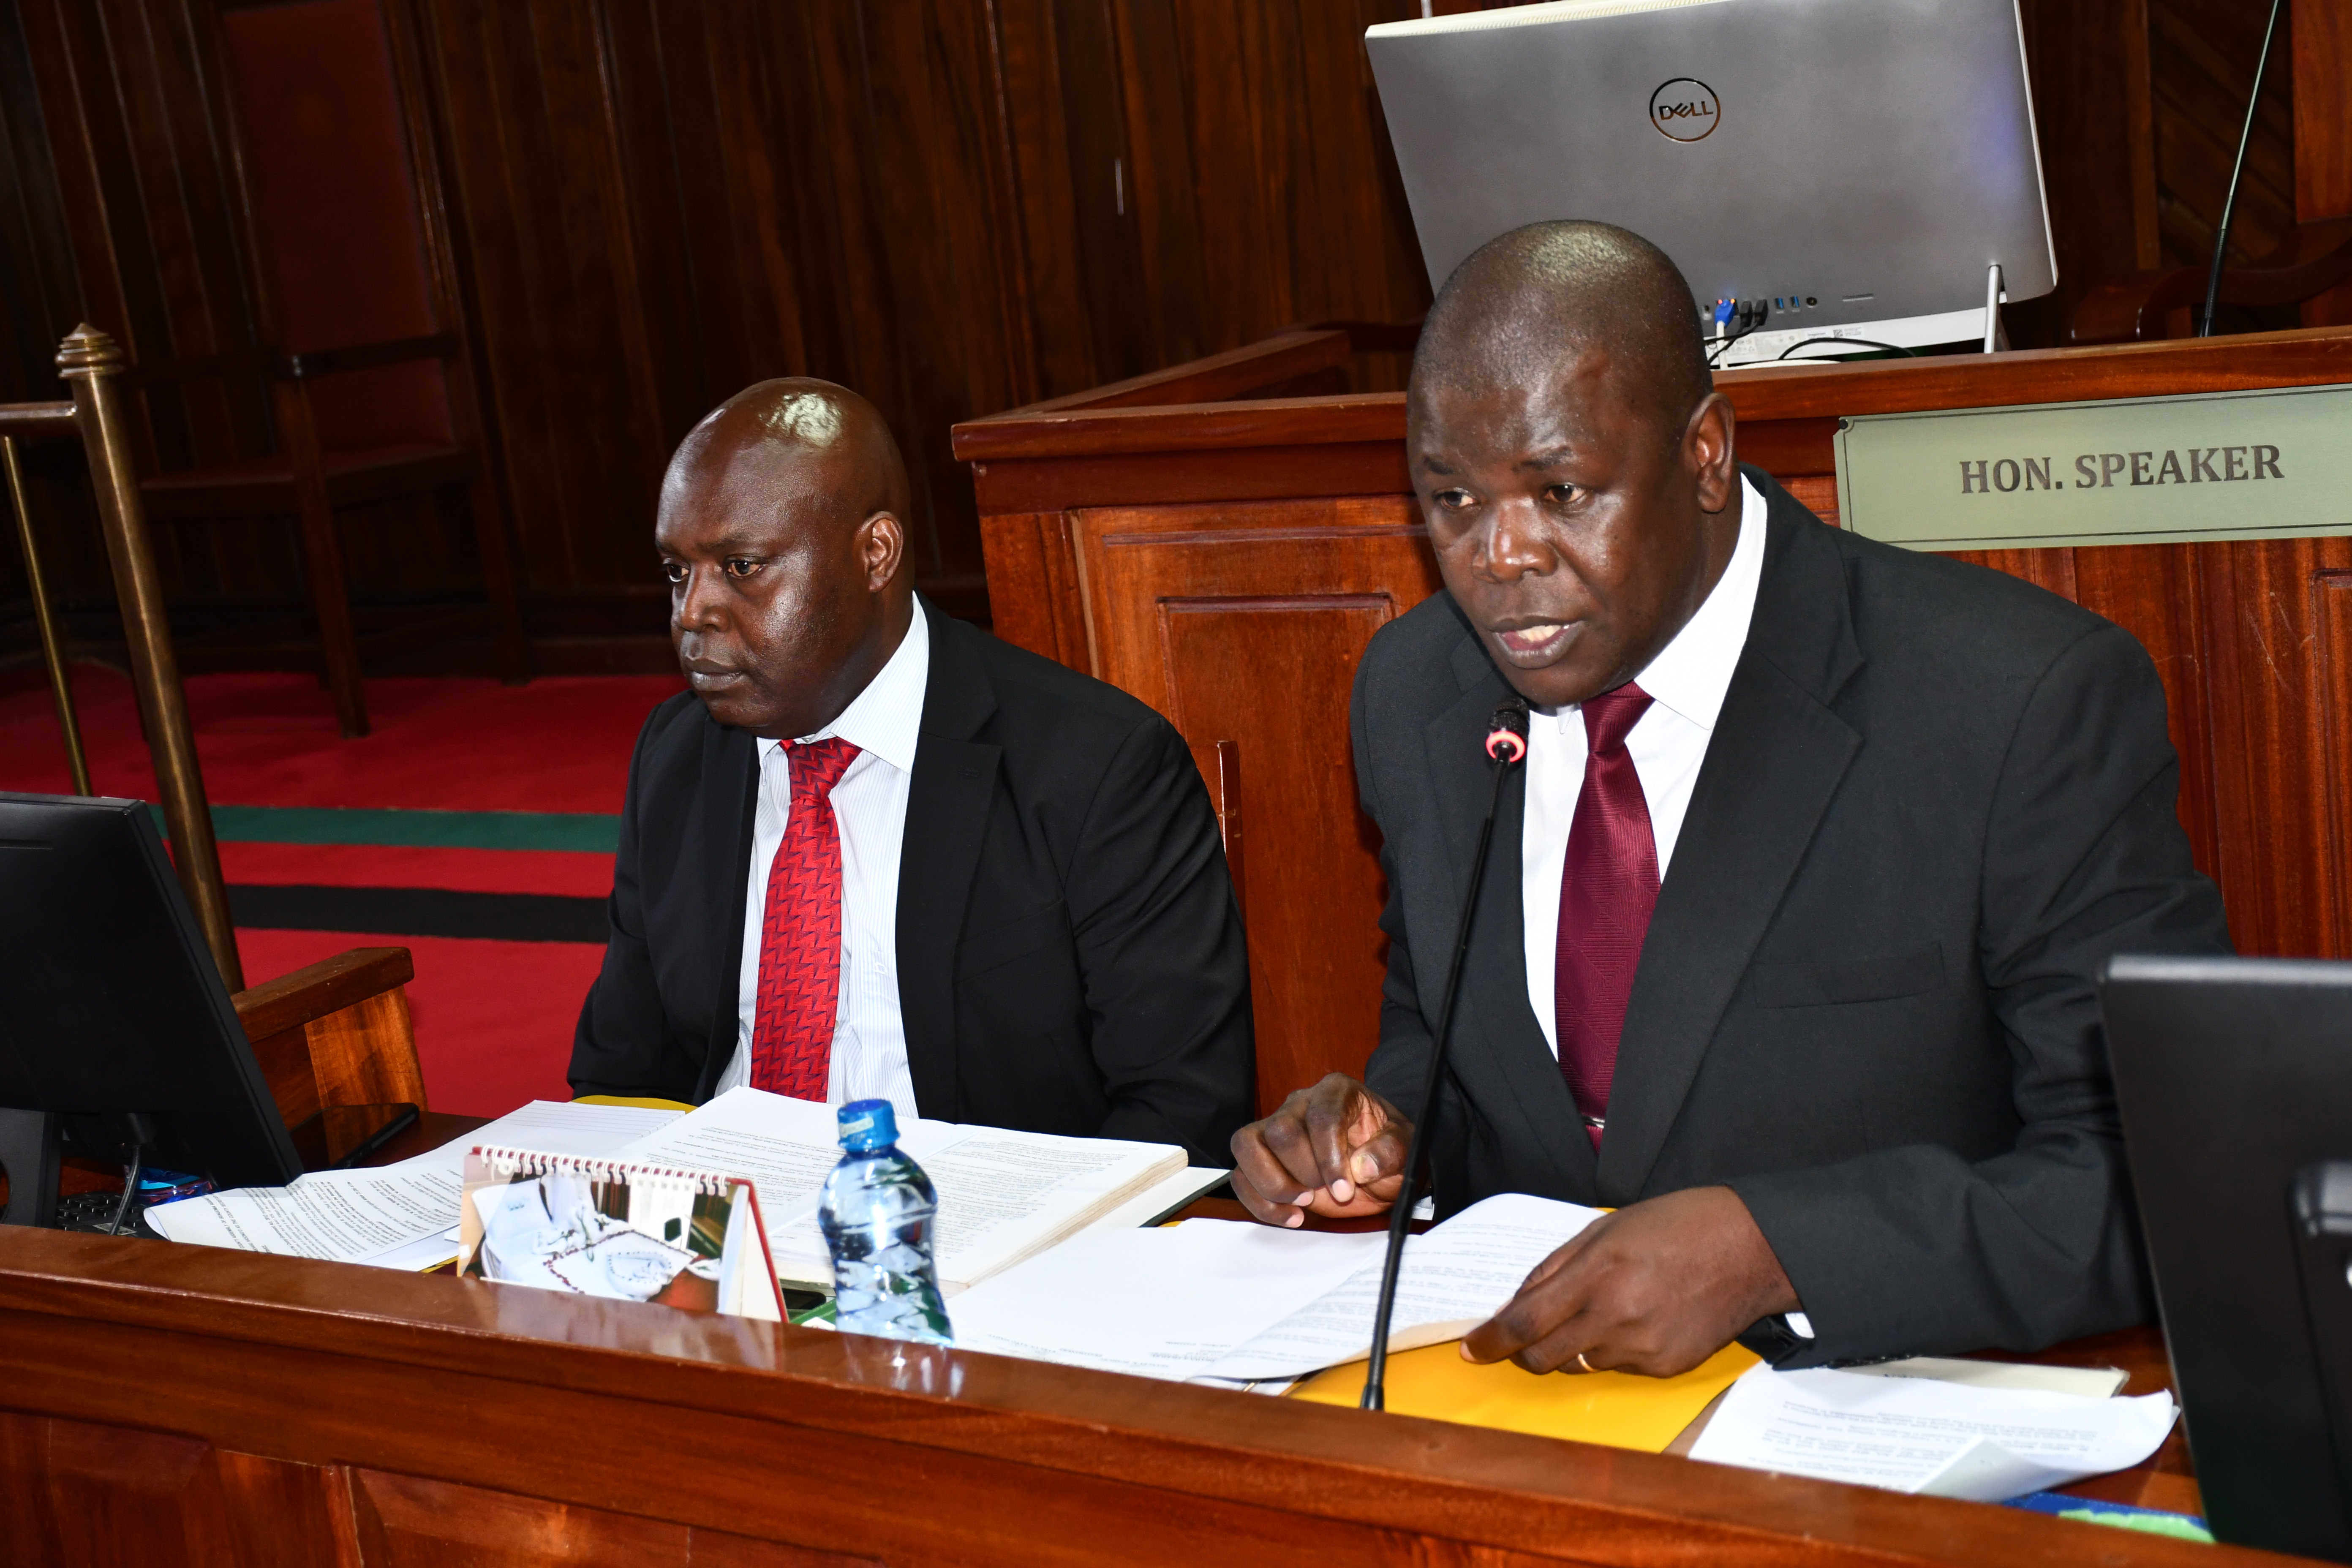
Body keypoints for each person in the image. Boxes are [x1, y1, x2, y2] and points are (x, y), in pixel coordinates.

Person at [1229, 221, 2233, 1375]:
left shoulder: (2014, 705)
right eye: (1450, 500)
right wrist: (1382, 1142)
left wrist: (1779, 1251)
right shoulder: (1419, 697)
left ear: (1706, 453)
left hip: (1879, 1429)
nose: (1501, 557)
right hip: (1532, 1426)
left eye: (1562, 490)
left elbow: (2154, 1181)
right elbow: (1447, 1042)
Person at [571, 378, 1253, 1165]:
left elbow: (1185, 1107)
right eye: (677, 573)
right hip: (733, 1235)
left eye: (742, 566)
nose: (693, 613)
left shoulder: (1095, 767)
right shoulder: (680, 756)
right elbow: (620, 1076)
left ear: (876, 553)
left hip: (987, 1236)